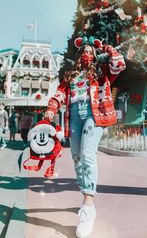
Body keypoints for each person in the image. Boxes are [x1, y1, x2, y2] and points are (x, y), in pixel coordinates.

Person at [44, 37, 126, 238]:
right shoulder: (70, 76)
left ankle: (88, 207)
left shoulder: (102, 73)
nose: (87, 55)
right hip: (73, 118)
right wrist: (51, 108)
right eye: (84, 52)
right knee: (78, 159)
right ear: (79, 56)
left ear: (95, 56)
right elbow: (59, 94)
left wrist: (108, 49)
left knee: (88, 155)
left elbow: (120, 64)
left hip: (93, 116)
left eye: (91, 52)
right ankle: (85, 194)